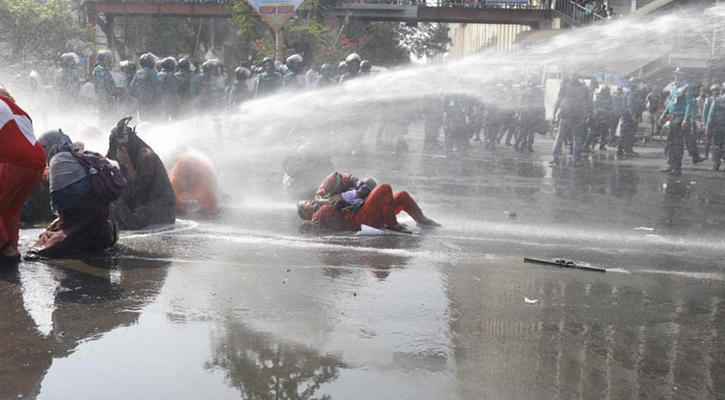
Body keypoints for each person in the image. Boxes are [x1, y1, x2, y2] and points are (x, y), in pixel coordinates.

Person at [27, 131, 117, 258]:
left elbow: (61, 202)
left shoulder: (59, 161)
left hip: (81, 218)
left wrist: (60, 219)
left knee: (37, 252)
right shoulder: (79, 156)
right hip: (97, 214)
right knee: (48, 234)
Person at [0, 84, 47, 266]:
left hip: (15, 162)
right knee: (10, 208)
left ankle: (7, 251)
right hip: (37, 162)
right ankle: (12, 248)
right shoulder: (18, 111)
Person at [106, 117, 176, 230]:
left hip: (160, 210)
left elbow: (141, 191)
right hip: (141, 205)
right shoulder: (124, 155)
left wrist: (128, 165)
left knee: (123, 213)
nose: (118, 154)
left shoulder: (145, 156)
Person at [298, 183, 439, 233]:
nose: (311, 201)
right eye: (307, 204)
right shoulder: (318, 216)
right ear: (307, 213)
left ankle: (422, 219)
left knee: (401, 195)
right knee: (384, 188)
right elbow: (328, 222)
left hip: (365, 211)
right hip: (360, 219)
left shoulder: (323, 204)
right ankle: (392, 225)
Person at [659, 68, 697, 176]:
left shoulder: (687, 87)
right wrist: (663, 114)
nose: (676, 76)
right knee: (670, 143)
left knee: (678, 144)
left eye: (679, 74)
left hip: (680, 117)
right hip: (673, 117)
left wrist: (686, 119)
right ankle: (670, 165)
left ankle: (677, 168)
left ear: (683, 75)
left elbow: (689, 104)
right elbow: (671, 103)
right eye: (675, 74)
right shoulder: (674, 87)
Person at [551, 71, 592, 165]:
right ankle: (576, 159)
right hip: (578, 116)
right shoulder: (584, 88)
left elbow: (558, 100)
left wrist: (554, 114)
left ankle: (556, 157)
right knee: (577, 139)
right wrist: (588, 114)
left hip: (567, 115)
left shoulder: (565, 87)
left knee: (560, 138)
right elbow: (587, 102)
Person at [618, 78, 645, 157]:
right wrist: (633, 115)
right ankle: (626, 149)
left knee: (628, 133)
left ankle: (625, 149)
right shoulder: (631, 93)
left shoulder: (633, 93)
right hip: (629, 116)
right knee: (628, 133)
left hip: (630, 115)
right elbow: (630, 105)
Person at [517, 79, 545, 153]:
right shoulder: (540, 91)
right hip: (534, 114)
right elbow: (541, 103)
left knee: (523, 130)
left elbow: (520, 103)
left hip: (525, 113)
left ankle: (522, 144)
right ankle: (529, 146)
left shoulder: (524, 91)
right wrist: (542, 114)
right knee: (531, 131)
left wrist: (518, 113)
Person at [131, 53, 160, 120]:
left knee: (143, 117)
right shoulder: (152, 72)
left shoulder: (138, 72)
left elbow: (132, 86)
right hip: (151, 98)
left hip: (141, 98)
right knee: (151, 117)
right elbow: (156, 86)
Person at [706, 82, 725, 170]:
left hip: (719, 126)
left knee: (717, 145)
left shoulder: (717, 100)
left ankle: (716, 163)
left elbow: (711, 113)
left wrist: (708, 125)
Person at [93, 50, 118, 115]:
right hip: (104, 98)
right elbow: (101, 85)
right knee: (105, 115)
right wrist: (103, 99)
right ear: (102, 59)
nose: (109, 61)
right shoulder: (100, 69)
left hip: (107, 97)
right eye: (107, 59)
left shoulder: (104, 69)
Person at [702, 83, 721, 158]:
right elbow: (705, 112)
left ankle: (715, 155)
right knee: (707, 139)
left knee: (717, 140)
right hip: (709, 123)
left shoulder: (721, 99)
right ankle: (706, 153)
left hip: (718, 123)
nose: (715, 92)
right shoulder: (709, 100)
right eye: (714, 90)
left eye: (717, 90)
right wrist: (704, 123)